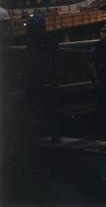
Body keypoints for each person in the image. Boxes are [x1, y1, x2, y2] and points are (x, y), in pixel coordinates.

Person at [22, 14, 60, 143]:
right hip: (45, 80)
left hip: (36, 80)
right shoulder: (50, 42)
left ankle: (36, 135)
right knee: (50, 109)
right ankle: (53, 135)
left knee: (35, 109)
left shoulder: (31, 44)